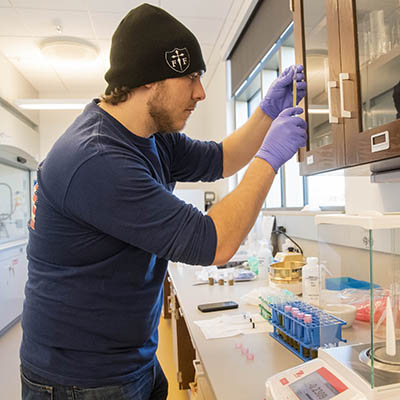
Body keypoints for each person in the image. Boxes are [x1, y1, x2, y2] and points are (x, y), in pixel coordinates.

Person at [20, 3, 307, 400]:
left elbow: (220, 158)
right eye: (189, 77)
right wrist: (270, 158)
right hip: (79, 379)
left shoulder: (149, 134)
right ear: (148, 80)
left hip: (130, 357)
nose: (200, 92)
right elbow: (215, 242)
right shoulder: (96, 159)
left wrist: (265, 113)